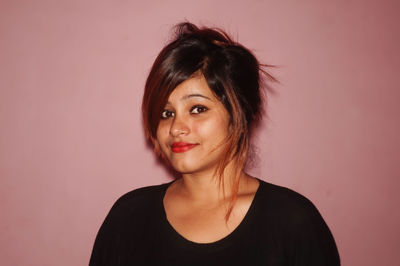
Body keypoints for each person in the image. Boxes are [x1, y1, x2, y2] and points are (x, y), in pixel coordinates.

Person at [89, 22, 340, 265]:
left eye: (197, 109)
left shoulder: (293, 222)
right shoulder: (128, 218)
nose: (176, 128)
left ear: (239, 112)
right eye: (166, 113)